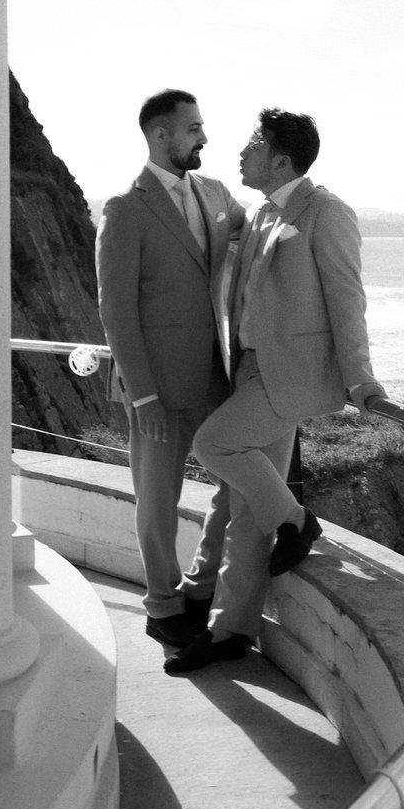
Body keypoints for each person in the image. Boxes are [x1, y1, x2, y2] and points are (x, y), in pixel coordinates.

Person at [165, 108, 386, 674]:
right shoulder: (263, 212)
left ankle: (296, 520)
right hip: (250, 368)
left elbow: (347, 296)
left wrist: (360, 377)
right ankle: (229, 630)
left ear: (281, 158)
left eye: (254, 143)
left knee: (214, 445)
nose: (242, 152)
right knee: (243, 506)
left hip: (290, 373)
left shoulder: (326, 212)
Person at [96, 89, 246, 648]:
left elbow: (252, 234)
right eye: (194, 128)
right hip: (156, 387)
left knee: (239, 480)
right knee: (158, 500)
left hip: (216, 377)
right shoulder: (125, 208)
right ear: (161, 135)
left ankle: (200, 582)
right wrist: (143, 397)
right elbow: (116, 311)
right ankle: (162, 606)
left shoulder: (216, 194)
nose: (204, 136)